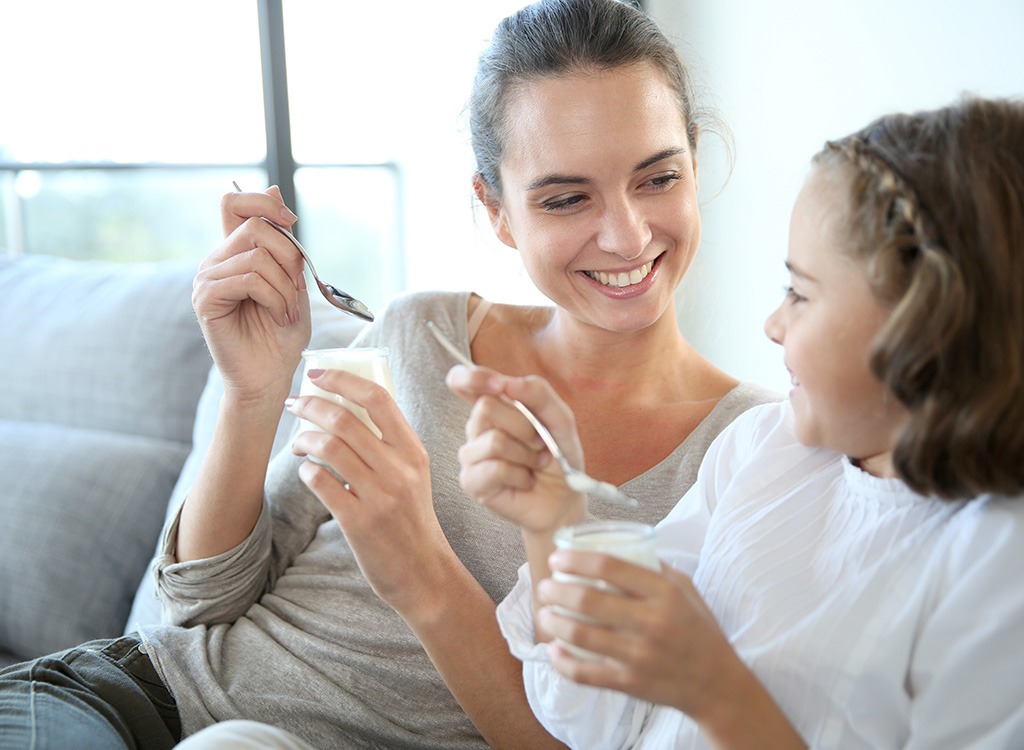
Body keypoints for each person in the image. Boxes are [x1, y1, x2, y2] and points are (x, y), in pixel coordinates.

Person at [0, 1, 777, 748]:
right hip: (130, 701)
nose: (626, 232)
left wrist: (416, 557)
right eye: (568, 197)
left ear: (695, 161)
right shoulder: (417, 334)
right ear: (496, 210)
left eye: (657, 178)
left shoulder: (753, 456)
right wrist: (254, 393)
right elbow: (202, 599)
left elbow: (605, 740)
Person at [451, 95, 1024, 748]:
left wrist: (715, 690)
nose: (773, 325)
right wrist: (552, 523)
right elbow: (595, 717)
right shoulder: (763, 449)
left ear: (929, 330)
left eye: (800, 294)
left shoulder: (996, 558)